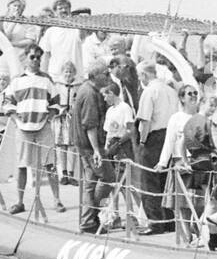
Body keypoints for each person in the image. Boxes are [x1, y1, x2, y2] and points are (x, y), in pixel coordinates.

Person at [0, 44, 64, 215]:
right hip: (23, 127)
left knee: (50, 164)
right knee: (21, 165)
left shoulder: (46, 80)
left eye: (38, 58)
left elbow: (57, 102)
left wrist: (49, 117)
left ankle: (57, 200)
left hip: (43, 127)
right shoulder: (17, 81)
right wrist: (15, 119)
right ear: (26, 58)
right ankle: (19, 201)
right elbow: (7, 103)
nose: (36, 60)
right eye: (32, 57)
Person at [157, 82, 213, 245]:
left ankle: (198, 230)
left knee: (200, 201)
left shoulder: (203, 117)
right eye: (190, 94)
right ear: (182, 98)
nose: (194, 96)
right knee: (182, 203)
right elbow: (170, 141)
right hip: (181, 162)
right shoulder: (176, 118)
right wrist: (162, 162)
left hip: (200, 162)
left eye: (195, 93)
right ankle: (187, 236)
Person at [135, 59, 180, 234]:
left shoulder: (150, 91)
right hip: (170, 136)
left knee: (149, 181)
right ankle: (169, 220)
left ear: (144, 75)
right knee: (166, 180)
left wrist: (142, 142)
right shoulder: (170, 90)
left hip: (154, 137)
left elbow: (145, 121)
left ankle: (155, 222)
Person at [71, 61, 110, 234]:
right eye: (105, 74)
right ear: (96, 76)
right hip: (89, 146)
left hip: (83, 144)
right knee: (108, 177)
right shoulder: (89, 94)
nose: (108, 77)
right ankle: (91, 213)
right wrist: (96, 150)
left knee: (90, 181)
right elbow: (90, 125)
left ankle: (88, 220)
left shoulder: (87, 89)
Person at [98, 81, 137, 232]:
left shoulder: (124, 108)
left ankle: (131, 216)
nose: (104, 98)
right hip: (111, 147)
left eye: (105, 95)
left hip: (122, 147)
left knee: (124, 184)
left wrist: (119, 143)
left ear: (111, 93)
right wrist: (107, 149)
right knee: (113, 184)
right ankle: (114, 216)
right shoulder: (110, 111)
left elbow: (130, 130)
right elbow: (108, 132)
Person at [39, 0, 85, 81]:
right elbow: (46, 55)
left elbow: (83, 36)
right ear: (55, 12)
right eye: (60, 8)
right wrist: (43, 75)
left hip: (75, 76)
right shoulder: (50, 31)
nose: (64, 10)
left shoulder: (77, 29)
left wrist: (82, 20)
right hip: (55, 76)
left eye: (66, 8)